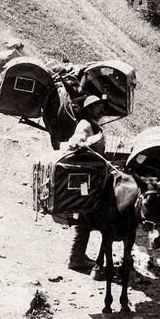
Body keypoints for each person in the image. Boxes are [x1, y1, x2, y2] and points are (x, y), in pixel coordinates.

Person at [64, 95, 110, 273]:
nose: (101, 109)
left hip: (91, 177)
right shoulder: (85, 124)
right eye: (96, 106)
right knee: (84, 215)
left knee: (86, 216)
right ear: (89, 109)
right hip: (85, 180)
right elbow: (76, 139)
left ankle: (78, 256)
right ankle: (76, 259)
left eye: (101, 106)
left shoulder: (94, 124)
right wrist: (78, 142)